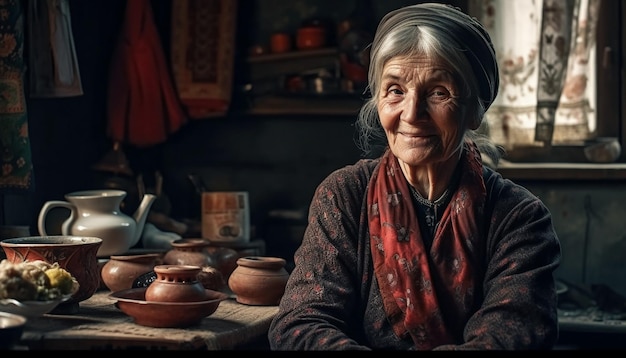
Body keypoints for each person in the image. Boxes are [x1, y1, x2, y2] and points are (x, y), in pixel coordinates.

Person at [267, 3, 562, 350]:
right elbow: (301, 322)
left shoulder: (518, 217)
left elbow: (512, 334)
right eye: (395, 90)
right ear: (378, 102)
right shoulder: (345, 195)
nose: (412, 114)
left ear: (474, 111)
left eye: (439, 92)